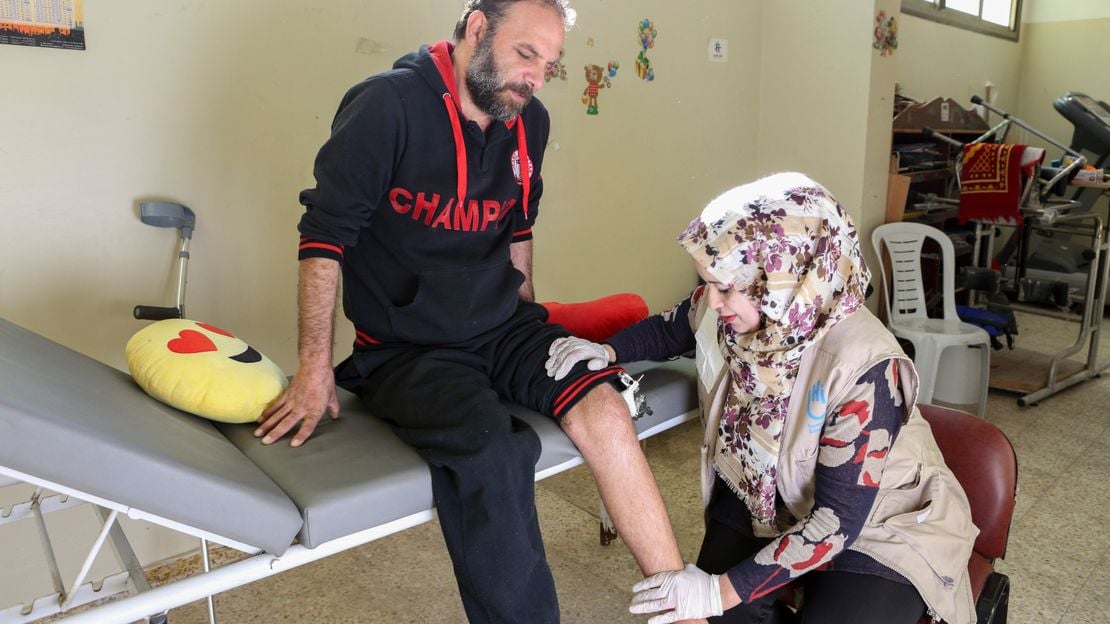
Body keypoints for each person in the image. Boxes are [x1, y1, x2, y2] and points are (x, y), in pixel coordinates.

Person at [252, 1, 688, 622]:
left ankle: (681, 602)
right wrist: (314, 366)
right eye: (526, 55)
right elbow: (323, 239)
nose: (535, 77)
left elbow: (519, 227)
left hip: (502, 327)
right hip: (407, 349)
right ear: (477, 29)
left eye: (549, 64)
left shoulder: (528, 121)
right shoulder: (386, 107)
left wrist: (531, 327)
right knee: (495, 455)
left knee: (605, 402)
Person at [546, 172, 980, 624]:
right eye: (709, 284)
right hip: (767, 490)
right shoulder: (740, 311)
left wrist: (717, 591)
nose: (712, 301)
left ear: (784, 279)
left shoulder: (864, 367)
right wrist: (608, 350)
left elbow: (837, 522)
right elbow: (673, 325)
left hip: (881, 523)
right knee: (707, 619)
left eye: (726, 287)